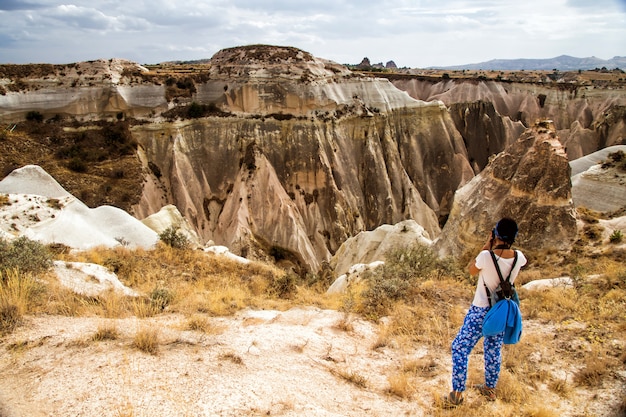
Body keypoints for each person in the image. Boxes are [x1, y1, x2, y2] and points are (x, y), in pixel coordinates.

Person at [443, 217, 527, 407]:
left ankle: (457, 395)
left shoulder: (486, 256)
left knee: (460, 348)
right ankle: (490, 390)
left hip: (480, 310)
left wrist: (487, 245)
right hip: (500, 312)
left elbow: (471, 270)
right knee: (493, 350)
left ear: (495, 234)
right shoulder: (519, 258)